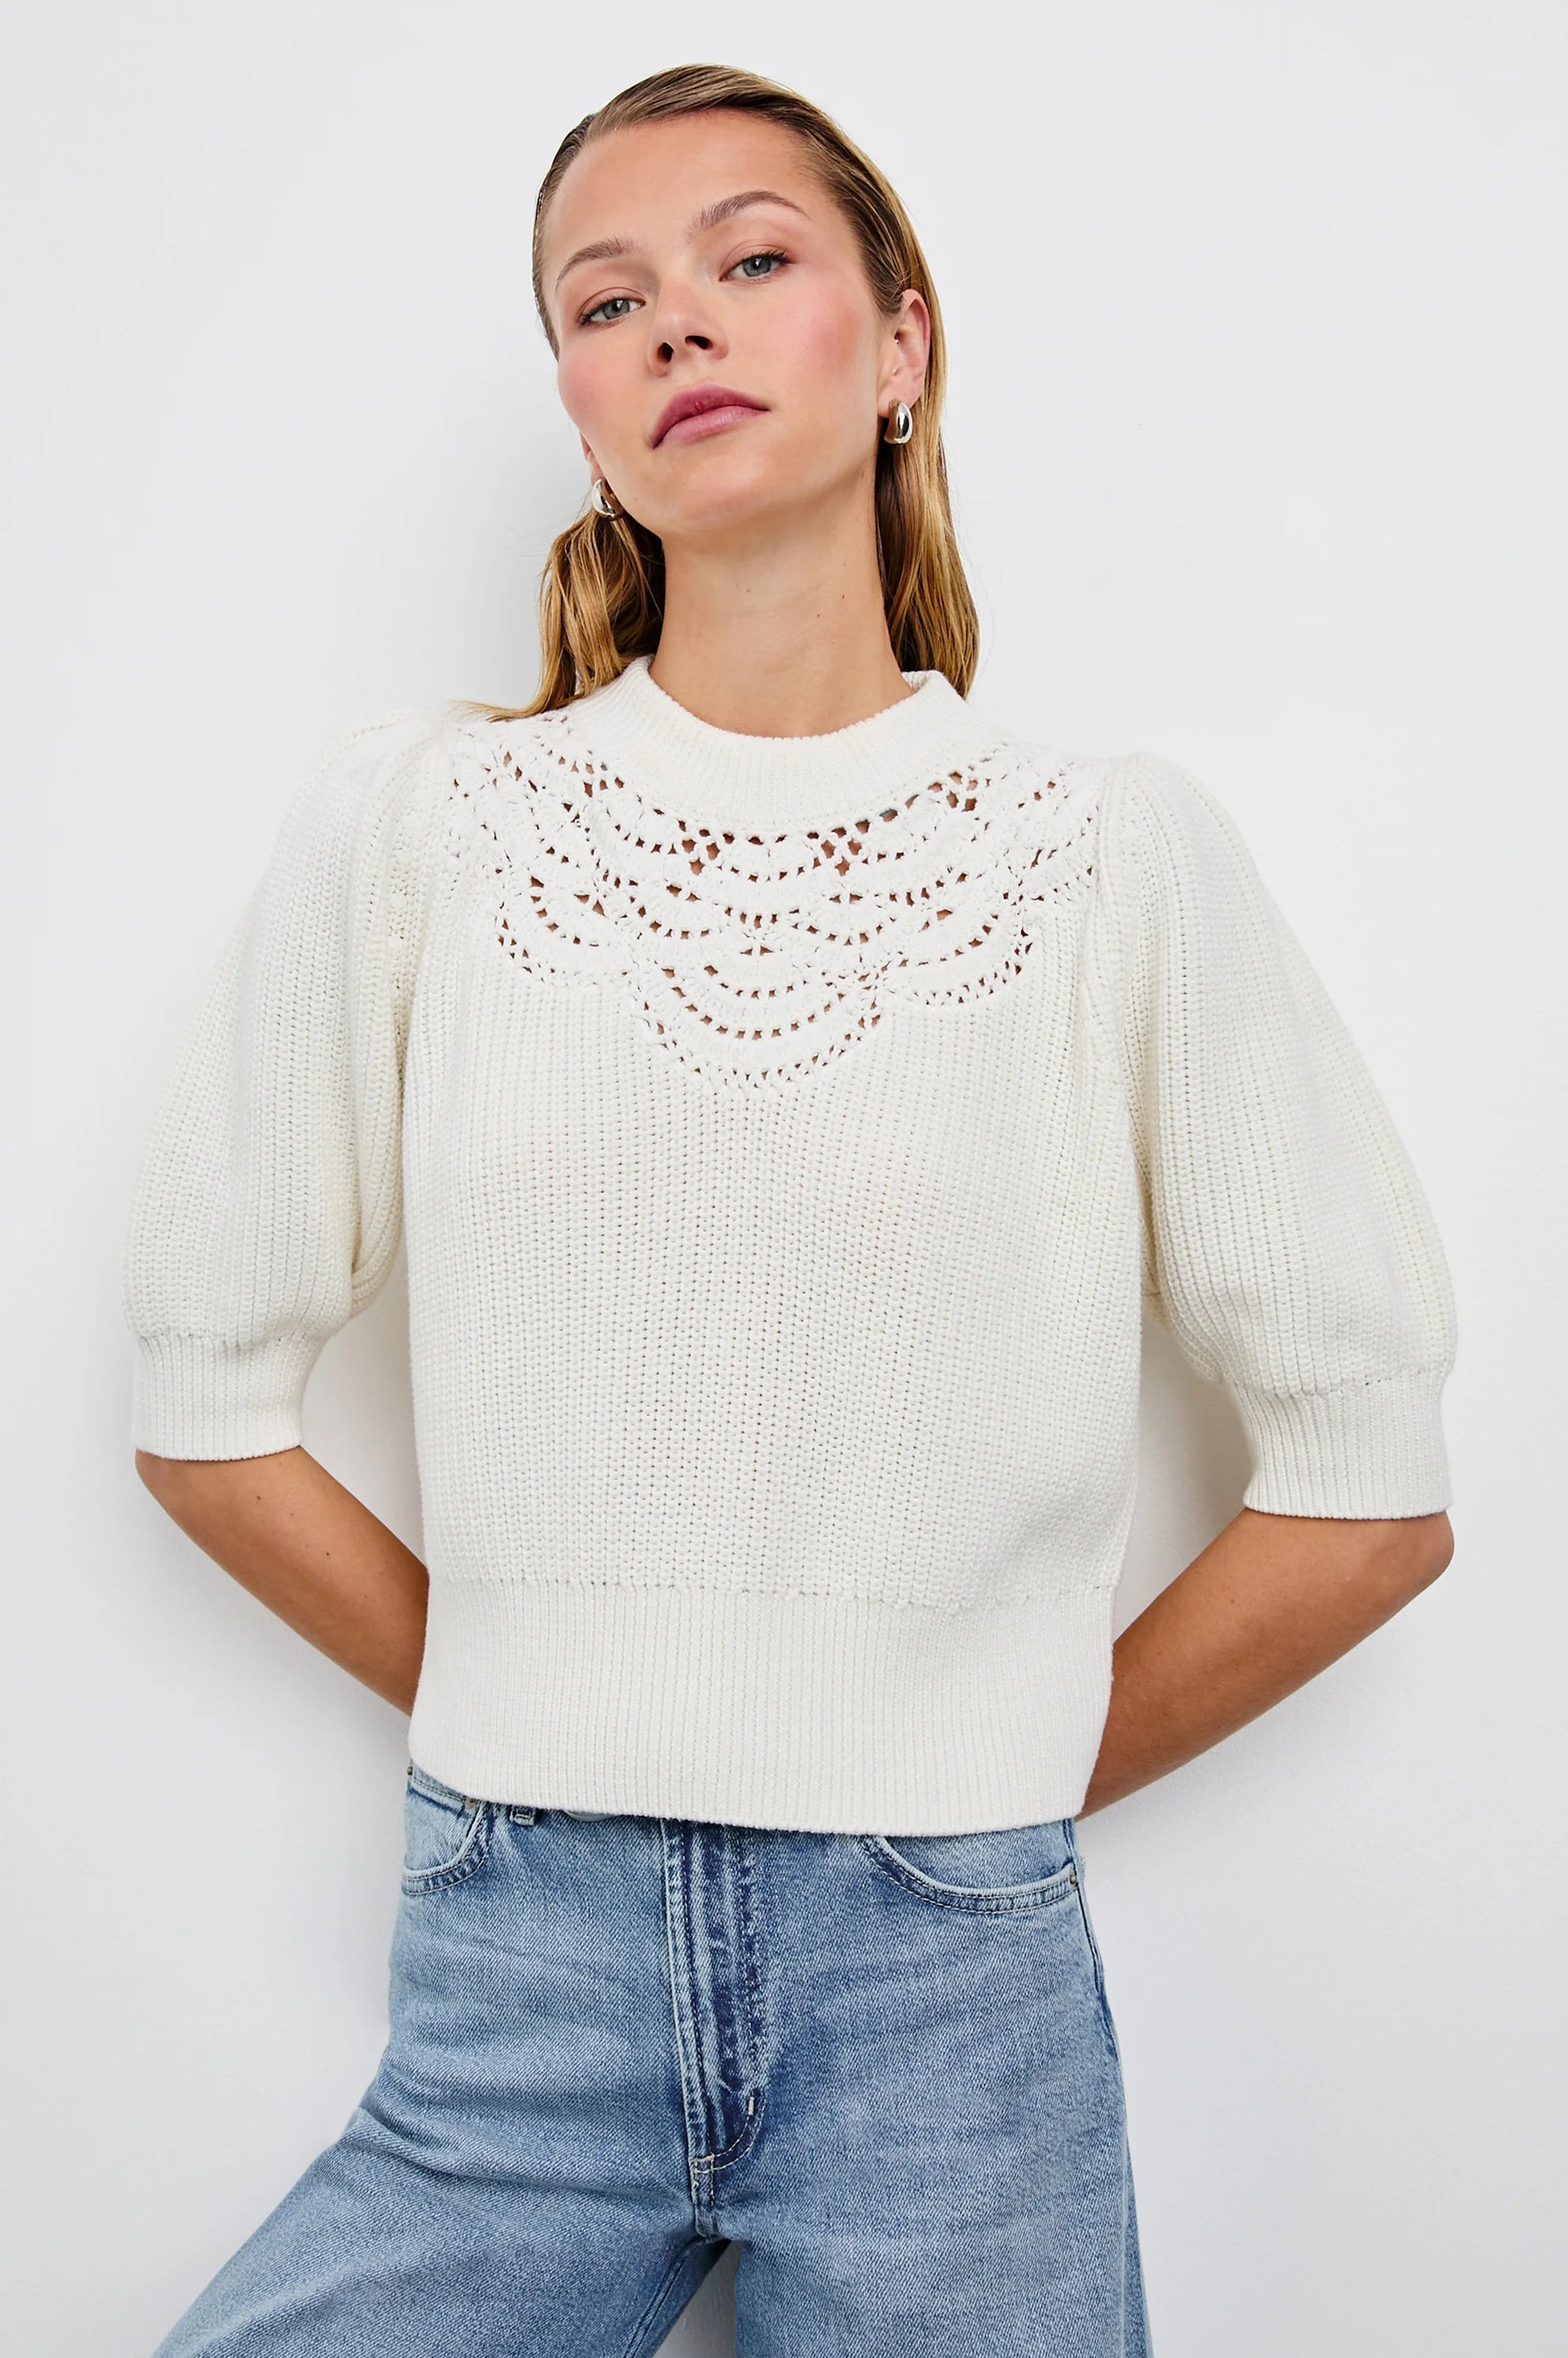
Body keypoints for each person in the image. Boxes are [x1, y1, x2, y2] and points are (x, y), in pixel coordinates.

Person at [123, 61, 1457, 2358]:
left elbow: (1372, 1486)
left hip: (953, 1986)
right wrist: (539, 1703)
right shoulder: (426, 828)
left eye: (753, 258)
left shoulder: (1112, 854)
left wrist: (978, 1775)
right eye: (603, 298)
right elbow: (200, 1404)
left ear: (903, 341)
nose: (678, 322)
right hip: (517, 1950)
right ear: (580, 410)